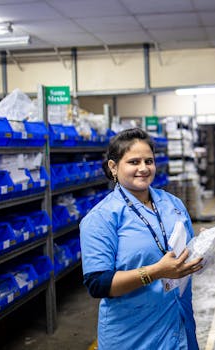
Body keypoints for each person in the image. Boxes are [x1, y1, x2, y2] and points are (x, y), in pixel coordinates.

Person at [80, 128, 204, 349]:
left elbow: (187, 253)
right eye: (134, 162)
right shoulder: (102, 217)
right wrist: (156, 271)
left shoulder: (173, 204)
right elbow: (98, 284)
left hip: (179, 324)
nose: (144, 168)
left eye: (149, 161)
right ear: (113, 167)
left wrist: (205, 249)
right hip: (134, 335)